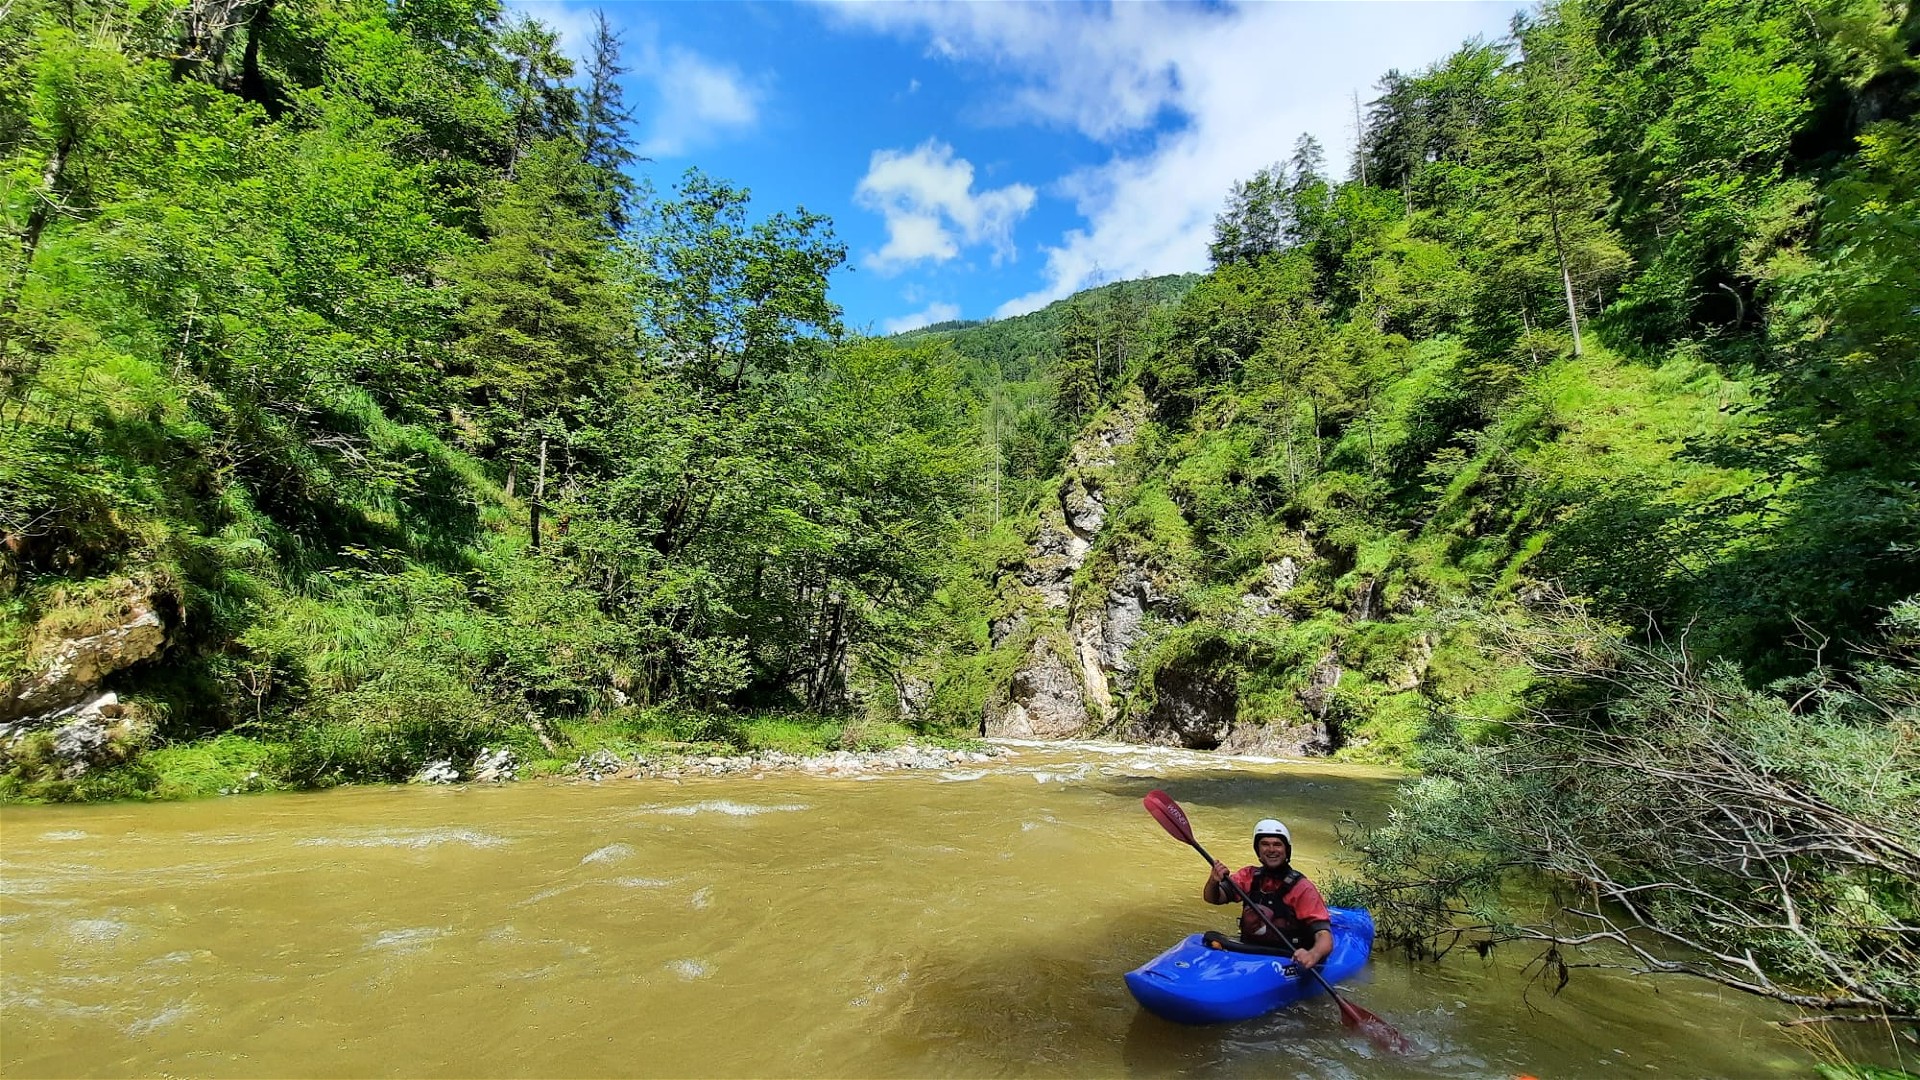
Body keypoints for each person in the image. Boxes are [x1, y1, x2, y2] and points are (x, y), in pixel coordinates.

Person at [1202, 817, 1333, 969]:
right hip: (1250, 950)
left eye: (1277, 844)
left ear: (1286, 850)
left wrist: (1313, 955)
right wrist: (1214, 880)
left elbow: (1324, 936)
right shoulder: (1248, 876)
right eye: (1265, 844)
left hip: (1285, 956)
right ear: (1258, 850)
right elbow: (1213, 898)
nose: (1271, 849)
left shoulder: (1302, 888)